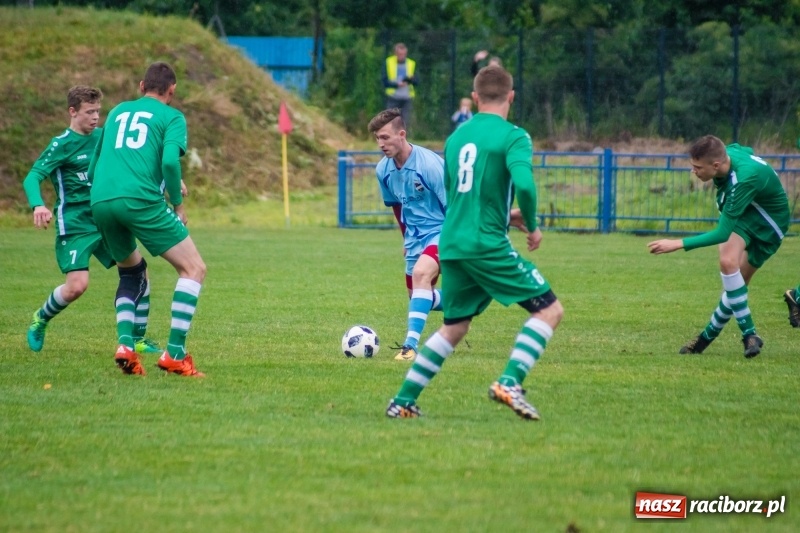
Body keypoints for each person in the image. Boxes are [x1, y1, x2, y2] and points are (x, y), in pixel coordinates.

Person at [386, 64, 564, 421]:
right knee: (549, 310)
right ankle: (510, 382)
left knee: (454, 327)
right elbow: (525, 186)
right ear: (511, 97)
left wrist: (504, 216)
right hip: (485, 244)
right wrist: (531, 224)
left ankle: (402, 401)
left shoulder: (455, 139)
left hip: (451, 242)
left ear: (476, 97)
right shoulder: (515, 136)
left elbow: (461, 194)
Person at [22, 85, 160, 356]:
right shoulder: (61, 144)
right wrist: (38, 204)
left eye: (98, 111)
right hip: (75, 223)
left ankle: (138, 338)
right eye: (89, 112)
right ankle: (41, 317)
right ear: (73, 112)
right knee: (77, 287)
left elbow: (133, 162)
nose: (96, 117)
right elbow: (32, 177)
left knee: (140, 272)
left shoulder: (105, 137)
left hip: (105, 218)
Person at [90, 61, 207, 377]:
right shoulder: (172, 116)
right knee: (194, 268)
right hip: (140, 200)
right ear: (172, 90)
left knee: (131, 273)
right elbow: (170, 161)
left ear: (142, 86)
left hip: (100, 199)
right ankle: (175, 355)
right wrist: (178, 205)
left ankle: (126, 346)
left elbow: (94, 164)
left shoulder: (116, 112)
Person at [648, 135, 790, 357]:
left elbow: (722, 233)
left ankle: (706, 337)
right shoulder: (728, 154)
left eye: (697, 167)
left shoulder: (743, 181)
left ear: (715, 165)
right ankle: (749, 335)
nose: (693, 172)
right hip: (747, 212)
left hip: (770, 223)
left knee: (737, 285)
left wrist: (676, 243)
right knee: (728, 265)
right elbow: (746, 148)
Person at [368, 108, 446, 362]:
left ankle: (409, 346)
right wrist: (406, 240)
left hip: (444, 230)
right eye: (377, 139)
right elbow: (397, 206)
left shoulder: (430, 165)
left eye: (385, 138)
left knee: (422, 274)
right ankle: (464, 302)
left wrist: (456, 240)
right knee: (418, 297)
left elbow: (455, 206)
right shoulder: (383, 170)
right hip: (415, 237)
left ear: (401, 134)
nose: (381, 144)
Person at [382, 43, 418, 131]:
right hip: (393, 97)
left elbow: (417, 81)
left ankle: (402, 142)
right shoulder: (389, 62)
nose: (402, 56)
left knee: (405, 122)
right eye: (400, 54)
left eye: (404, 54)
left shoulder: (411, 63)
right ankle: (390, 141)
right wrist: (397, 84)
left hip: (407, 97)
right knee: (390, 121)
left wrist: (411, 80)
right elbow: (384, 81)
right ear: (395, 53)